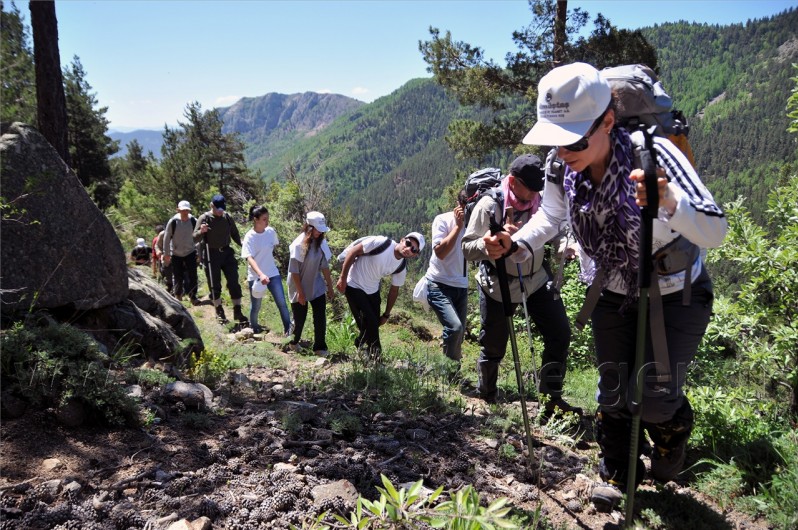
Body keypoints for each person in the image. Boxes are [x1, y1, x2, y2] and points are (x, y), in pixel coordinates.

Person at [486, 62, 727, 510]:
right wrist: (514, 240)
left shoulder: (654, 155)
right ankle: (618, 471)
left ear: (608, 121)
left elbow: (715, 230)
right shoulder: (562, 167)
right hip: (610, 290)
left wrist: (670, 202)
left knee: (655, 398)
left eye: (575, 138)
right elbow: (552, 218)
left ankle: (671, 436)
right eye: (554, 139)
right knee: (613, 389)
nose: (563, 150)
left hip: (675, 291)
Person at [462, 154, 576, 413]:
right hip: (498, 285)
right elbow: (467, 247)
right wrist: (487, 244)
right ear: (512, 181)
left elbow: (555, 230)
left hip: (536, 279)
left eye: (538, 191)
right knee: (493, 346)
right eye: (528, 192)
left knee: (559, 334)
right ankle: (487, 395)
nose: (533, 197)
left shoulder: (541, 199)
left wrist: (563, 248)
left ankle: (551, 400)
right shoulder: (489, 205)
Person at [336, 232, 425, 359]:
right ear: (402, 240)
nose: (408, 249)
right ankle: (376, 356)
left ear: (415, 254)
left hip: (372, 290)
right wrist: (342, 278)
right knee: (370, 321)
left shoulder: (401, 267)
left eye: (413, 249)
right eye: (408, 243)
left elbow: (394, 290)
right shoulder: (382, 243)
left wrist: (386, 314)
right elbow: (353, 252)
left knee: (374, 323)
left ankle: (362, 345)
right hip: (353, 283)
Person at [424, 191, 469, 366]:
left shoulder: (475, 223)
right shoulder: (442, 220)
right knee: (455, 327)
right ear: (457, 204)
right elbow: (440, 253)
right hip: (439, 283)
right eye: (464, 206)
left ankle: (451, 370)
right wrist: (458, 227)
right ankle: (450, 373)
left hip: (461, 284)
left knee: (459, 333)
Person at [286, 211, 335, 355]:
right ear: (309, 227)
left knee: (320, 316)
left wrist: (329, 287)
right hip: (298, 286)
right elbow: (294, 271)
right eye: (317, 230)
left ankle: (320, 347)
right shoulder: (298, 245)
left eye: (321, 230)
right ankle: (292, 342)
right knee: (299, 319)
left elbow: (325, 266)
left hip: (316, 285)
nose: (320, 233)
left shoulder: (321, 243)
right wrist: (300, 293)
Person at [195, 194, 247, 325]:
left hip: (227, 252)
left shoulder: (227, 217)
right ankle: (219, 310)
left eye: (222, 208)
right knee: (214, 284)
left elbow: (234, 234)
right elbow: (194, 238)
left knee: (234, 282)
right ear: (211, 206)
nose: (220, 211)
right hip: (211, 254)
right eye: (218, 208)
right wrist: (201, 232)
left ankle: (237, 310)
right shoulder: (204, 218)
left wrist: (244, 245)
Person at [241, 205, 292, 335]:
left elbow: (272, 248)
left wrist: (267, 269)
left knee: (282, 303)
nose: (267, 221)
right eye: (264, 219)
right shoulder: (249, 237)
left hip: (272, 273)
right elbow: (249, 258)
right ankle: (253, 328)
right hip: (256, 276)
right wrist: (261, 274)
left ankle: (289, 331)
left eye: (267, 218)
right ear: (255, 219)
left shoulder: (270, 232)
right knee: (256, 306)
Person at [163, 200, 200, 305]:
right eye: (183, 210)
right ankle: (178, 296)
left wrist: (199, 253)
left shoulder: (193, 221)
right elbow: (166, 238)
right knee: (177, 275)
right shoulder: (173, 222)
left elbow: (197, 237)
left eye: (187, 210)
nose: (185, 212)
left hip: (190, 252)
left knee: (193, 275)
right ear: (178, 210)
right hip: (176, 253)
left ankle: (193, 296)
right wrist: (166, 254)